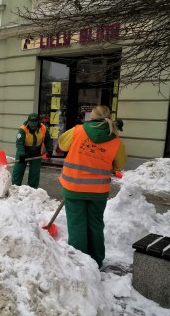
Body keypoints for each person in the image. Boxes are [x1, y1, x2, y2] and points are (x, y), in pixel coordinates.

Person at [58, 105, 127, 268]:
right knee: (95, 224)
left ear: (92, 116)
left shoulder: (77, 131)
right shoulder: (116, 140)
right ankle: (96, 259)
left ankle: (80, 262)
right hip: (98, 191)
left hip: (73, 187)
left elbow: (62, 145)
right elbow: (120, 164)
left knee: (77, 224)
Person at [12, 113, 53, 188]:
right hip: (24, 151)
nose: (33, 126)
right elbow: (19, 143)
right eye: (31, 124)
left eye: (34, 124)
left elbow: (48, 140)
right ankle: (15, 187)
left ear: (38, 122)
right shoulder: (23, 129)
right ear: (28, 121)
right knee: (18, 171)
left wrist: (49, 150)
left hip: (36, 152)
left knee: (34, 172)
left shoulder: (43, 128)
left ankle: (32, 190)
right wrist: (22, 154)